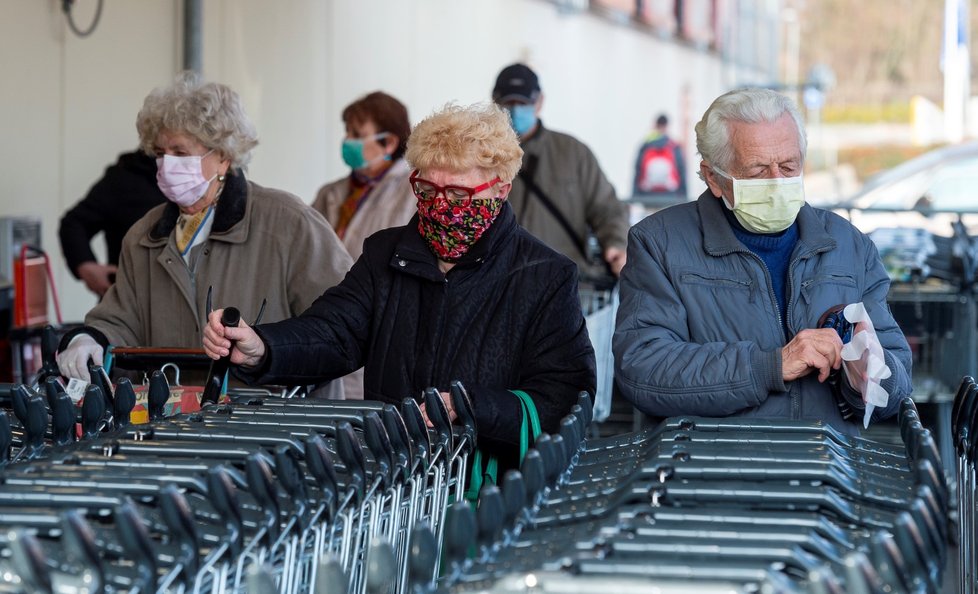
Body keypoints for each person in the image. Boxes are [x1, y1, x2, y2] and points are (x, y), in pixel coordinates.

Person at [203, 102, 596, 474]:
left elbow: (564, 396)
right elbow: (335, 332)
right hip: (394, 474)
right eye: (427, 190)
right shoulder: (386, 254)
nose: (441, 206)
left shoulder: (544, 275)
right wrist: (262, 347)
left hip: (491, 487)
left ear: (501, 190)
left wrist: (471, 406)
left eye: (459, 194)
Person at [613, 88, 912, 432]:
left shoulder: (850, 246)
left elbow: (898, 381)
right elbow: (643, 370)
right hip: (708, 473)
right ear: (713, 177)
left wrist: (869, 375)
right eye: (757, 171)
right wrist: (770, 366)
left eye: (788, 166)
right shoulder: (659, 243)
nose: (776, 182)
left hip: (825, 472)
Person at [55, 72, 353, 393]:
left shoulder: (288, 223)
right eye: (160, 153)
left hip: (276, 429)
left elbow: (340, 324)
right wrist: (90, 339)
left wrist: (269, 352)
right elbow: (121, 319)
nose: (167, 164)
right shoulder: (144, 236)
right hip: (173, 427)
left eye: (180, 153)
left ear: (223, 157)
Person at [491, 63, 629, 286]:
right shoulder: (480, 157)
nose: (516, 110)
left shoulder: (573, 153)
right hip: (499, 284)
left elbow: (607, 208)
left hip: (563, 284)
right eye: (509, 103)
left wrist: (617, 244)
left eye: (523, 103)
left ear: (539, 102)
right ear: (495, 103)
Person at [312, 91, 417, 261]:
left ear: (389, 143)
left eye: (357, 135)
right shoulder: (329, 193)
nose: (347, 140)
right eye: (347, 132)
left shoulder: (413, 192)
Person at [58, 150, 168, 297]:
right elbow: (74, 223)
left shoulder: (201, 181)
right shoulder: (126, 175)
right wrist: (85, 264)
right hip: (126, 301)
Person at [632, 113, 687, 199]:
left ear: (655, 125)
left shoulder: (645, 145)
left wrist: (635, 195)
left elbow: (637, 171)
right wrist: (683, 196)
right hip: (670, 196)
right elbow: (682, 171)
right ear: (667, 125)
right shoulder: (673, 146)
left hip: (647, 195)